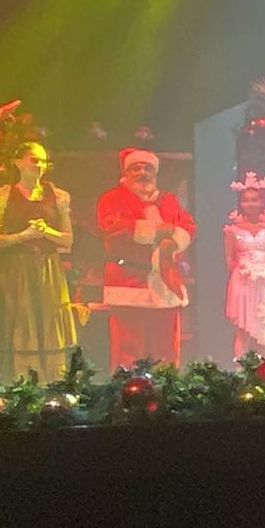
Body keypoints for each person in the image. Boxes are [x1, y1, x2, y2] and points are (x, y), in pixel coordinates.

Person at [0, 142, 77, 379]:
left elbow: (68, 240)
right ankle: (22, 378)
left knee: (50, 318)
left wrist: (46, 232)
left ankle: (54, 379)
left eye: (43, 161)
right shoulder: (2, 195)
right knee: (21, 319)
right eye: (34, 160)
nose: (40, 165)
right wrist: (23, 236)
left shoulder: (58, 196)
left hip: (49, 268)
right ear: (18, 163)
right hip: (16, 269)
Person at [97, 147, 195, 366]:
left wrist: (173, 241)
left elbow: (187, 225)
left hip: (164, 282)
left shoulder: (168, 200)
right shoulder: (113, 198)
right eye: (136, 168)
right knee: (128, 350)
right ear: (126, 172)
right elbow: (114, 227)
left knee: (166, 351)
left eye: (147, 168)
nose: (142, 173)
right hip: (128, 281)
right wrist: (159, 231)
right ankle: (129, 387)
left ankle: (165, 386)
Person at [222, 172, 265, 358]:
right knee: (243, 330)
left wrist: (263, 274)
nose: (250, 204)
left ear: (261, 202)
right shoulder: (232, 231)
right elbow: (229, 260)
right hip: (242, 284)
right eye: (246, 200)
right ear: (241, 203)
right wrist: (244, 274)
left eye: (254, 200)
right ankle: (241, 368)